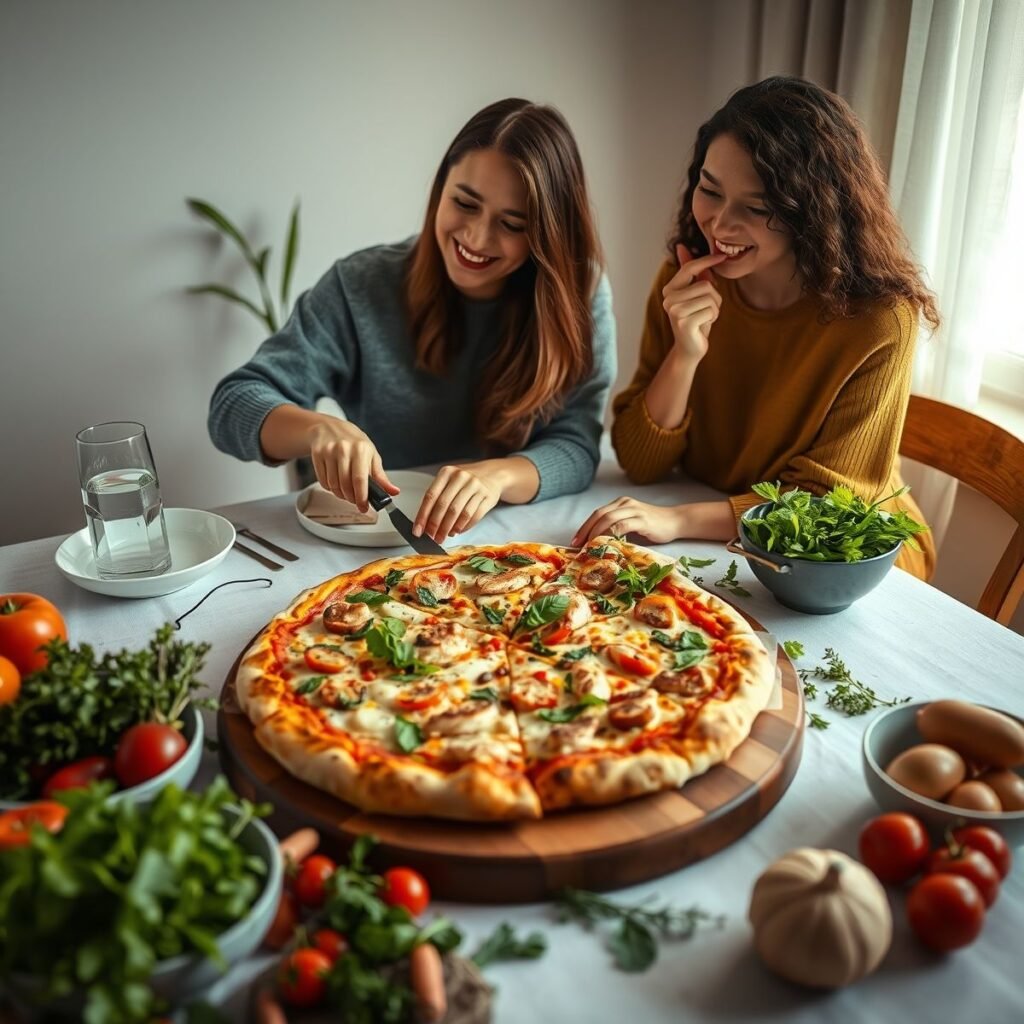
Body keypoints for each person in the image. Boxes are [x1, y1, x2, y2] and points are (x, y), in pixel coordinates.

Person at [573, 76, 939, 580]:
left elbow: (825, 507)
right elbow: (640, 461)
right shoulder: (686, 281)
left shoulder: (879, 321)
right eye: (710, 190)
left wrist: (677, 519)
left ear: (813, 213)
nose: (720, 226)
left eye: (757, 208)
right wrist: (685, 353)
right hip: (721, 531)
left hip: (844, 558)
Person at [209, 98, 615, 544]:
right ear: (439, 189)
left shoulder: (581, 293)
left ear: (546, 233)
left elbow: (576, 446)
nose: (477, 238)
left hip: (527, 540)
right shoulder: (360, 285)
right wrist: (318, 430)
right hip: (385, 544)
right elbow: (232, 405)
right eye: (464, 203)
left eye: (513, 224)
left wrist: (495, 477)